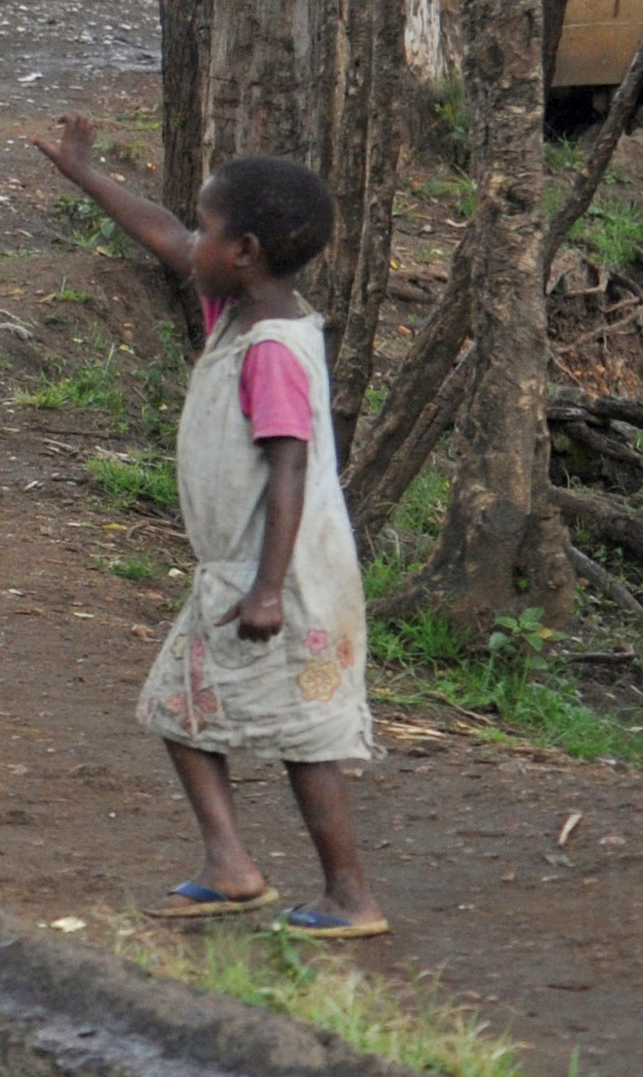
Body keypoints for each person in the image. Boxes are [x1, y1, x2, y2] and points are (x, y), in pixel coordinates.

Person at [32, 115, 389, 942]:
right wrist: (85, 174)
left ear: (246, 251)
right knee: (188, 710)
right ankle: (233, 864)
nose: (191, 238)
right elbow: (163, 234)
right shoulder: (241, 311)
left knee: (299, 738)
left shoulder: (269, 346)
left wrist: (267, 586)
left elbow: (290, 465)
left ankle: (348, 895)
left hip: (277, 576)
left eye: (209, 228)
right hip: (245, 570)